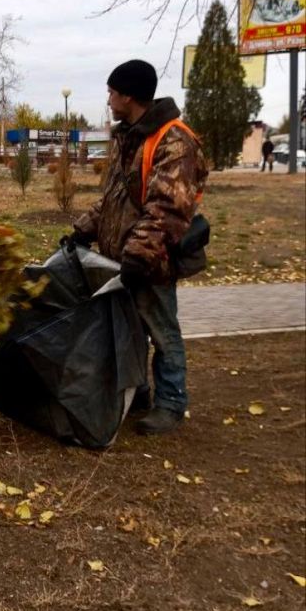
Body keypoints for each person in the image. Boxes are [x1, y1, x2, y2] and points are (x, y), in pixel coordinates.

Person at [66, 59, 208, 435]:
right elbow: (115, 198)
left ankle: (171, 403)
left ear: (128, 96)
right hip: (123, 259)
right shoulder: (130, 136)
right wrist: (83, 230)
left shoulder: (174, 141)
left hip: (153, 260)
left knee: (162, 330)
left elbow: (168, 209)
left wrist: (137, 257)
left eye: (112, 92)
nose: (109, 98)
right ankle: (138, 393)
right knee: (129, 331)